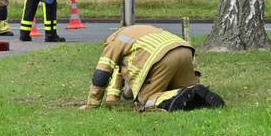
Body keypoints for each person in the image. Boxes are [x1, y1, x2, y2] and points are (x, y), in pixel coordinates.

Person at [82, 25, 225, 111]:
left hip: (161, 57)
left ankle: (182, 94)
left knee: (147, 100)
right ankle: (198, 94)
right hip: (184, 50)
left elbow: (101, 75)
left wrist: (92, 105)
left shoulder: (113, 42)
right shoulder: (134, 32)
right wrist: (112, 98)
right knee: (183, 89)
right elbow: (120, 72)